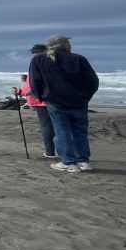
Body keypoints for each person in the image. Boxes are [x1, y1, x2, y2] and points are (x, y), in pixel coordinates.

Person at [28, 35, 99, 173]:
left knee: (62, 132)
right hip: (77, 101)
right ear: (61, 44)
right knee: (79, 132)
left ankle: (69, 162)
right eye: (67, 42)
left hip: (56, 101)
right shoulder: (78, 59)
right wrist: (85, 97)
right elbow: (93, 82)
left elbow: (35, 82)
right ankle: (83, 161)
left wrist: (42, 97)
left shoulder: (39, 59)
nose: (70, 45)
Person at [13, 48, 56, 159]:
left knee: (46, 126)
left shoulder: (37, 64)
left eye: (34, 52)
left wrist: (20, 92)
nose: (32, 55)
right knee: (56, 126)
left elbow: (33, 84)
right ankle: (65, 152)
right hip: (55, 99)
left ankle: (50, 152)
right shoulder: (54, 63)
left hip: (40, 100)